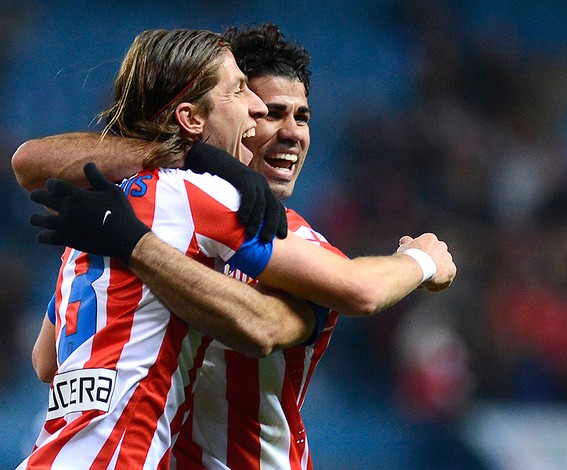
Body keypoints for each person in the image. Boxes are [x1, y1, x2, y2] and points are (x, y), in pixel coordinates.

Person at [14, 28, 456, 469]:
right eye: (261, 106)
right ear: (198, 116)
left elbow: (265, 326)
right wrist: (423, 260)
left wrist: (139, 245)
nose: (287, 130)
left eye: (301, 117)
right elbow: (28, 162)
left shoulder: (107, 213)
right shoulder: (173, 201)